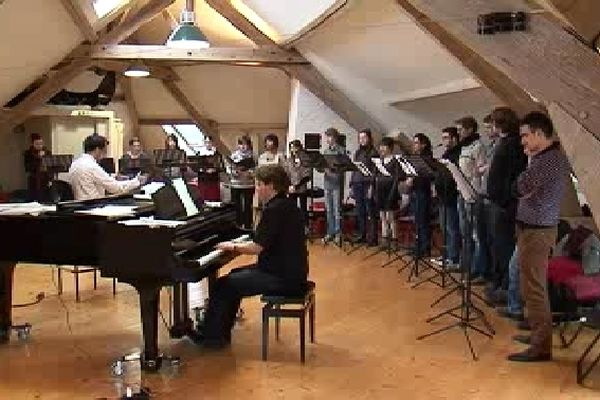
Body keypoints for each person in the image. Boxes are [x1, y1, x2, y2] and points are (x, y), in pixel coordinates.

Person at [199, 165, 309, 348]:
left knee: (224, 284)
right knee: (233, 275)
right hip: (289, 270)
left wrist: (232, 245)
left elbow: (257, 247)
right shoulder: (287, 204)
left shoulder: (274, 210)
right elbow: (265, 239)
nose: (256, 189)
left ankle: (213, 338)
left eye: (259, 184)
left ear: (271, 185)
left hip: (282, 276)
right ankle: (219, 330)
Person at [507, 112, 570, 362]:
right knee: (529, 284)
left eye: (525, 135)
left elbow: (518, 188)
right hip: (531, 228)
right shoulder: (542, 158)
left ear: (540, 134)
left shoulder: (548, 160)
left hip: (538, 231)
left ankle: (541, 347)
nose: (522, 141)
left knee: (534, 288)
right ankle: (537, 334)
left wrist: (528, 166)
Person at [485, 107, 528, 302]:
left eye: (492, 123)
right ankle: (499, 283)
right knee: (497, 245)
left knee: (504, 247)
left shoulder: (513, 144)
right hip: (498, 202)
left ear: (499, 124)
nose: (490, 127)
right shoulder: (504, 142)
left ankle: (505, 290)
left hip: (505, 205)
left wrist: (503, 200)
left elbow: (513, 176)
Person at [69, 134, 144, 200]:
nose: (105, 154)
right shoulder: (92, 166)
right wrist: (137, 181)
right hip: (93, 207)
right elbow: (116, 188)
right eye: (104, 151)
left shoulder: (75, 164)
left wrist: (112, 177)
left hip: (79, 206)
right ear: (98, 149)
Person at [455, 116, 485, 274]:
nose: (458, 132)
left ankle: (477, 269)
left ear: (470, 129)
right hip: (461, 191)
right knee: (464, 232)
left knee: (475, 234)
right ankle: (465, 264)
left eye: (461, 129)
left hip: (473, 193)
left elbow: (481, 169)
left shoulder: (478, 146)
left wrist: (475, 172)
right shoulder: (463, 147)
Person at [434, 127, 461, 266]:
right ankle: (447, 255)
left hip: (451, 195)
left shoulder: (457, 153)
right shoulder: (446, 153)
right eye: (443, 137)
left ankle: (454, 258)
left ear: (454, 138)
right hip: (441, 195)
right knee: (444, 228)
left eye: (446, 137)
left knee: (452, 229)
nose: (443, 140)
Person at [350, 129, 378, 245]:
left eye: (364, 138)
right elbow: (354, 169)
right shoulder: (357, 152)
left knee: (370, 211)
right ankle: (362, 234)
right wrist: (351, 183)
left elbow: (375, 171)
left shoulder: (374, 152)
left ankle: (373, 237)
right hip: (357, 183)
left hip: (367, 184)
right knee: (360, 211)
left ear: (369, 139)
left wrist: (372, 186)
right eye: (360, 138)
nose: (361, 140)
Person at [375, 137, 404, 250]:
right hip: (380, 191)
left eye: (384, 146)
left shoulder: (395, 161)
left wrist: (393, 192)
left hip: (391, 191)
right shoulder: (380, 161)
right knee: (382, 216)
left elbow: (398, 177)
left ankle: (394, 241)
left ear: (390, 148)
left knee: (391, 217)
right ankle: (384, 239)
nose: (381, 148)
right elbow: (376, 175)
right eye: (380, 146)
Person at [409, 133, 433, 257]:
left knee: (423, 221)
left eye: (416, 143)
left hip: (423, 191)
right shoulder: (415, 157)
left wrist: (414, 177)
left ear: (423, 145)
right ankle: (418, 245)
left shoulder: (427, 158)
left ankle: (425, 247)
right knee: (417, 220)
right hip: (415, 191)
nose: (414, 145)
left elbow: (428, 176)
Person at [321, 127, 346, 244]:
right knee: (329, 209)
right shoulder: (325, 151)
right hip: (327, 182)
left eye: (329, 136)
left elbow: (344, 166)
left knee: (337, 210)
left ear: (334, 137)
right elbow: (322, 165)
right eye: (327, 137)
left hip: (337, 183)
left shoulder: (341, 150)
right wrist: (323, 168)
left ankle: (338, 233)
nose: (328, 139)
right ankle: (330, 232)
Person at [228, 135, 256, 229]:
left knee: (248, 206)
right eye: (241, 144)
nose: (243, 146)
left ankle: (248, 225)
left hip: (248, 184)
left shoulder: (252, 156)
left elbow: (256, 169)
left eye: (245, 144)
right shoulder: (234, 155)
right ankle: (238, 224)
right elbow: (229, 168)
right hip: (236, 184)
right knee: (237, 206)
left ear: (249, 145)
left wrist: (249, 173)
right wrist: (234, 172)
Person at [286, 140, 311, 227]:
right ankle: (293, 227)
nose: (294, 149)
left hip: (301, 187)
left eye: (296, 147)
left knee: (303, 208)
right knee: (292, 209)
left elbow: (307, 175)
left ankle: (305, 227)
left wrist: (298, 185)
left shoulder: (305, 159)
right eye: (292, 147)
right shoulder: (289, 160)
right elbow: (287, 174)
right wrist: (289, 185)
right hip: (292, 188)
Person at [23, 133, 51, 202]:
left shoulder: (47, 152)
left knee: (46, 198)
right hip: (34, 179)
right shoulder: (28, 153)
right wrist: (38, 158)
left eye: (41, 143)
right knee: (33, 198)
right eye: (37, 144)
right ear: (33, 144)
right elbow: (28, 167)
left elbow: (50, 165)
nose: (40, 146)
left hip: (45, 179)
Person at [196, 136, 223, 201]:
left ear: (212, 143)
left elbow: (221, 166)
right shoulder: (199, 153)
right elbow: (197, 166)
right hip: (203, 179)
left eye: (210, 142)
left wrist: (215, 169)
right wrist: (204, 170)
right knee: (204, 198)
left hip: (213, 179)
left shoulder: (217, 153)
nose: (208, 144)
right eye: (206, 142)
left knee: (213, 197)